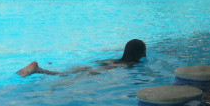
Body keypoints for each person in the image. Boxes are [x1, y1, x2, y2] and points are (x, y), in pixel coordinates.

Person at [17, 39, 146, 77]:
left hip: (89, 66)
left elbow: (99, 62)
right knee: (63, 76)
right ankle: (38, 70)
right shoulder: (129, 65)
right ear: (140, 53)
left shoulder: (115, 59)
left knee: (64, 73)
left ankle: (39, 70)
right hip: (93, 71)